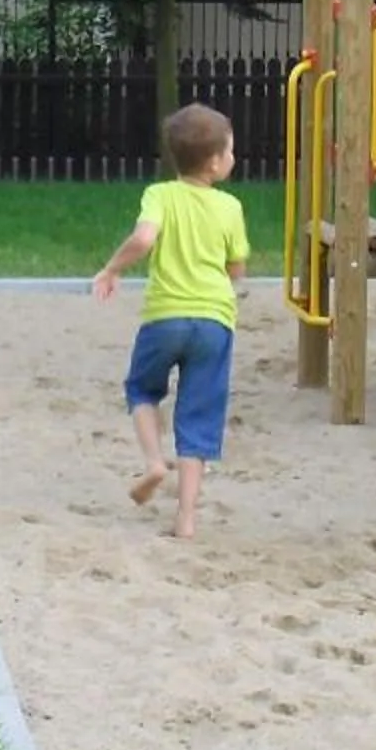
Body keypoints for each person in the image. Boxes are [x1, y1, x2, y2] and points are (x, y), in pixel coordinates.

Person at [90, 103, 251, 539]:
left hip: (164, 318)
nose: (235, 157)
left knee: (142, 389)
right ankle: (186, 517)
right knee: (199, 415)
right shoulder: (230, 208)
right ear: (215, 162)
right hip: (214, 321)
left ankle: (153, 463)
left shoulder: (160, 195)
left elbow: (144, 238)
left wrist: (112, 269)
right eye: (231, 150)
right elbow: (236, 267)